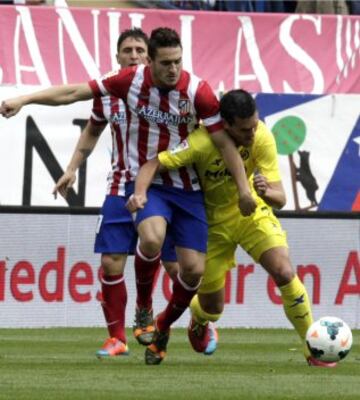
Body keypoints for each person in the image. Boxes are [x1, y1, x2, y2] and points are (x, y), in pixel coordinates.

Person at [0, 27, 256, 365]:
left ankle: (164, 325)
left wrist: (243, 190)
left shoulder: (198, 91)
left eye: (178, 62)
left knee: (190, 270)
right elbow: (74, 93)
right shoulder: (123, 84)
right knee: (143, 242)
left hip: (186, 186)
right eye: (165, 63)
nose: (173, 69)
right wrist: (24, 99)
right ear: (149, 61)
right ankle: (132, 319)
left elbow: (224, 143)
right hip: (136, 180)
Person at [127, 89, 336, 367]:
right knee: (213, 308)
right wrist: (140, 193)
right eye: (245, 128)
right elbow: (155, 163)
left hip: (251, 215)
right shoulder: (200, 143)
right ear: (225, 124)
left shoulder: (261, 135)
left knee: (284, 270)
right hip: (213, 226)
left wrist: (264, 192)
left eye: (255, 124)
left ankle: (313, 350)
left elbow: (281, 199)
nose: (252, 133)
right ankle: (199, 320)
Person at [52, 28, 178, 358]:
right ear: (117, 56)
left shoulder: (163, 89)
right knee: (111, 262)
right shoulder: (107, 91)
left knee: (182, 268)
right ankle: (117, 338)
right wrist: (71, 168)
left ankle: (161, 311)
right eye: (128, 50)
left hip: (164, 187)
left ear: (149, 57)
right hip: (120, 185)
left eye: (139, 50)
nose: (133, 55)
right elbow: (93, 131)